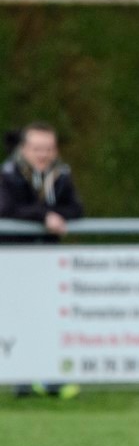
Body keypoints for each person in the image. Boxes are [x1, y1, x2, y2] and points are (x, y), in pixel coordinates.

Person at [0, 121, 84, 399]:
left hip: (47, 262)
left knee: (49, 320)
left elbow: (76, 209)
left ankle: (49, 380)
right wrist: (44, 216)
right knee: (17, 319)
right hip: (14, 261)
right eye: (37, 148)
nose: (43, 154)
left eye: (48, 148)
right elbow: (6, 209)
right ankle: (21, 379)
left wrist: (54, 216)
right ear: (24, 149)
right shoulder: (8, 175)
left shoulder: (60, 176)